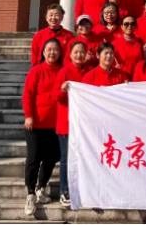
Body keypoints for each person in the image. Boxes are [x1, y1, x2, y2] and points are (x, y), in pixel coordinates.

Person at [22, 38, 62, 216]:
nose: (52, 52)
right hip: (36, 124)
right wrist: (29, 116)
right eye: (49, 49)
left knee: (51, 157)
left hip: (55, 125)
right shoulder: (36, 70)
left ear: (60, 53)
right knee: (33, 158)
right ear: (43, 52)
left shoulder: (62, 71)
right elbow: (28, 95)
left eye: (55, 49)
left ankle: (41, 187)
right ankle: (30, 193)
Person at [52, 41, 87, 208]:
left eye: (82, 52)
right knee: (66, 158)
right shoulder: (64, 71)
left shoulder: (88, 72)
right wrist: (62, 89)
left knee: (82, 158)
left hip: (83, 125)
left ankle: (80, 189)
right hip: (66, 123)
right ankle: (64, 191)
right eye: (76, 52)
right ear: (70, 54)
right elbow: (55, 95)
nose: (79, 55)